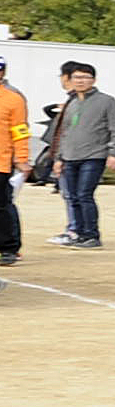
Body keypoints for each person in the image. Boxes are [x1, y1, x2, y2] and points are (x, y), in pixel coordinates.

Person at [47, 63, 115, 246]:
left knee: (84, 195)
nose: (80, 81)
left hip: (93, 155)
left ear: (94, 80)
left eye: (85, 78)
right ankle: (77, 233)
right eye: (77, 78)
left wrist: (114, 153)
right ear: (71, 80)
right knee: (72, 196)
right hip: (69, 157)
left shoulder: (106, 101)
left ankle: (91, 235)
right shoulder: (71, 103)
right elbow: (63, 132)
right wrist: (58, 158)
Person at [0, 58, 25, 261]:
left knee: (2, 205)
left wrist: (22, 157)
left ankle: (8, 247)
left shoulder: (13, 99)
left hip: (1, 161)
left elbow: (20, 131)